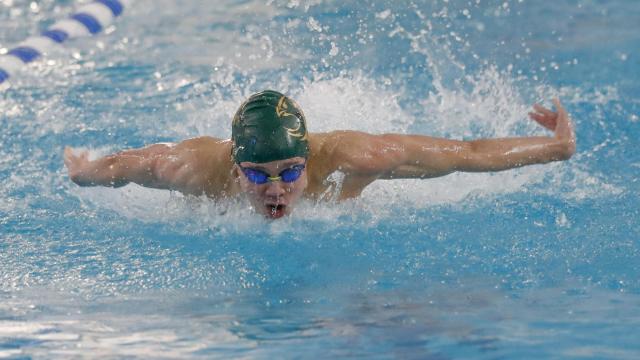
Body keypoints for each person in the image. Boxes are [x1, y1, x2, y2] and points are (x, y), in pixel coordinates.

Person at [64, 90, 576, 219]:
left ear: (308, 159)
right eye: (257, 177)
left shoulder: (361, 157)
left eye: (289, 171)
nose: (276, 189)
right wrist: (84, 174)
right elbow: (128, 165)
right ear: (236, 168)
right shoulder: (192, 169)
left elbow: (467, 154)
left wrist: (555, 148)